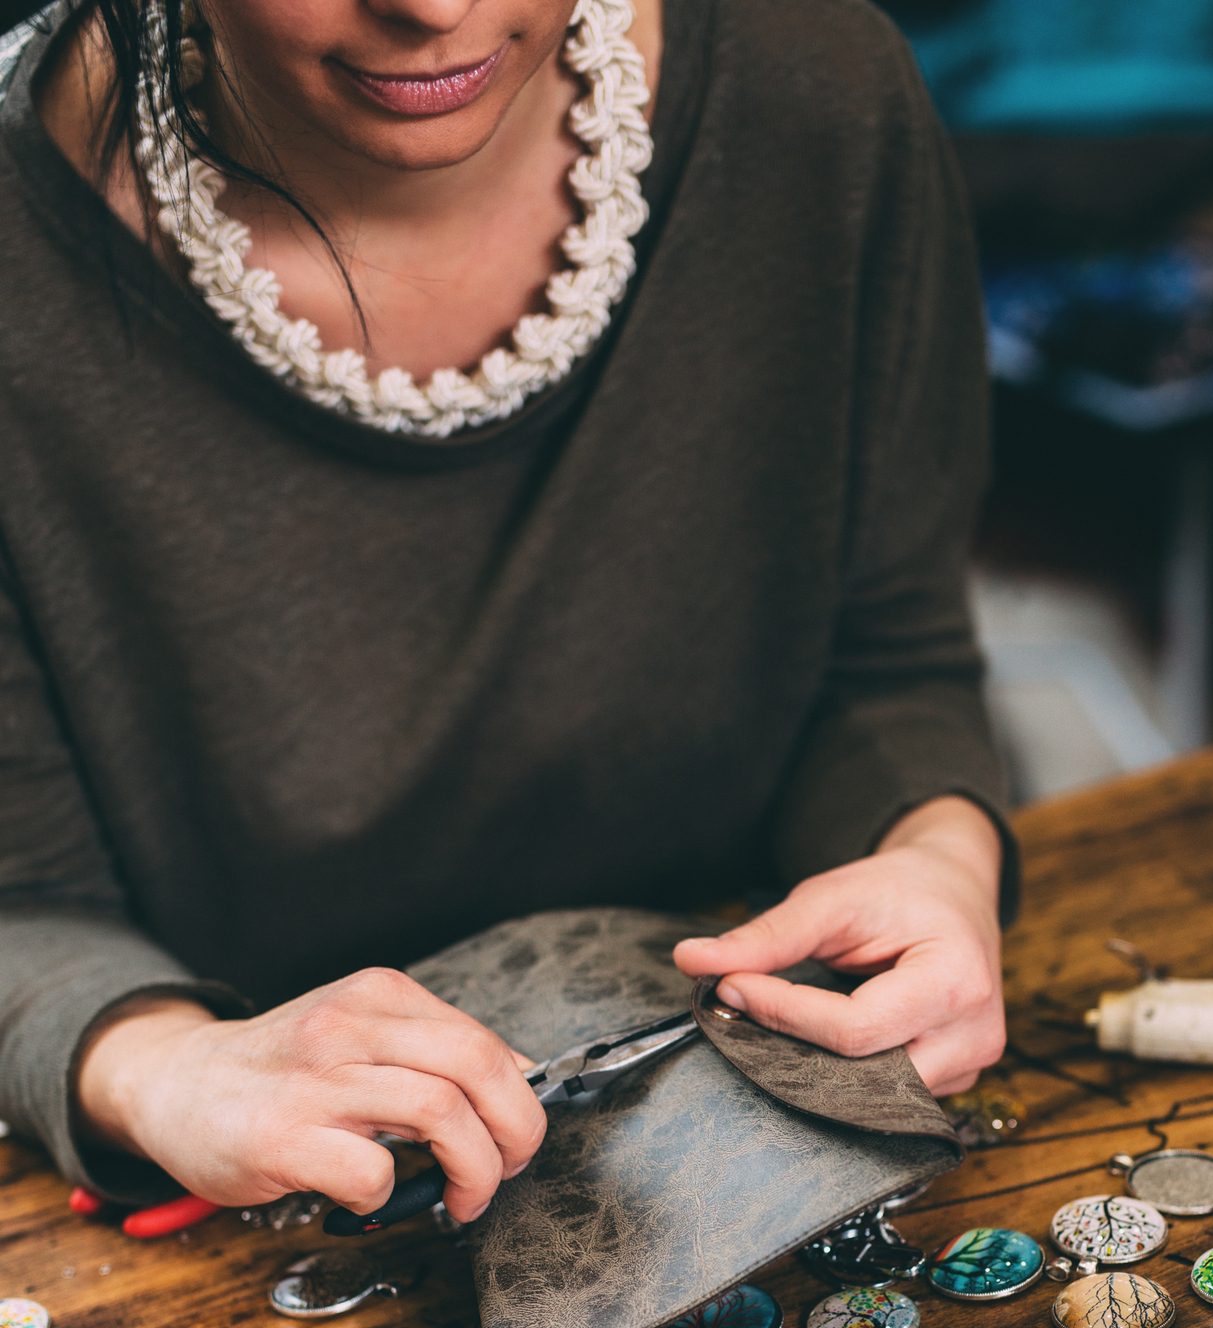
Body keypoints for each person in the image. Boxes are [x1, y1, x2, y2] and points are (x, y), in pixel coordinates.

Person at [0, 0, 1014, 1229]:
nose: (434, 7)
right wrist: (160, 1068)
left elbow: (887, 656)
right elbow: (25, 899)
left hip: (754, 1141)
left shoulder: (814, 88)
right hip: (267, 1214)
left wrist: (935, 863)